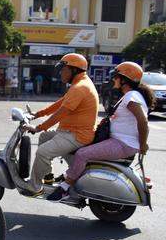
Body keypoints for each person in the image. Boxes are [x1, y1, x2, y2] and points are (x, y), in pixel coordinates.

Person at [47, 62, 153, 201]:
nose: (113, 79)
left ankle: (65, 188)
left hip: (123, 144)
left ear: (125, 80)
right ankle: (71, 175)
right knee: (77, 146)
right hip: (119, 141)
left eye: (116, 76)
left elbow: (143, 121)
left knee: (82, 154)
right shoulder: (131, 95)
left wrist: (143, 144)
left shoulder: (131, 96)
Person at [23, 53, 99, 195]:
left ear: (74, 70)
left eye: (63, 69)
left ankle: (35, 188)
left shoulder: (80, 87)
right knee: (44, 138)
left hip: (76, 135)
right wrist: (37, 114)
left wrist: (38, 127)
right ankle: (48, 176)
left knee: (42, 152)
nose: (60, 73)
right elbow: (60, 104)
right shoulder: (79, 84)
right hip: (69, 131)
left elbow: (60, 113)